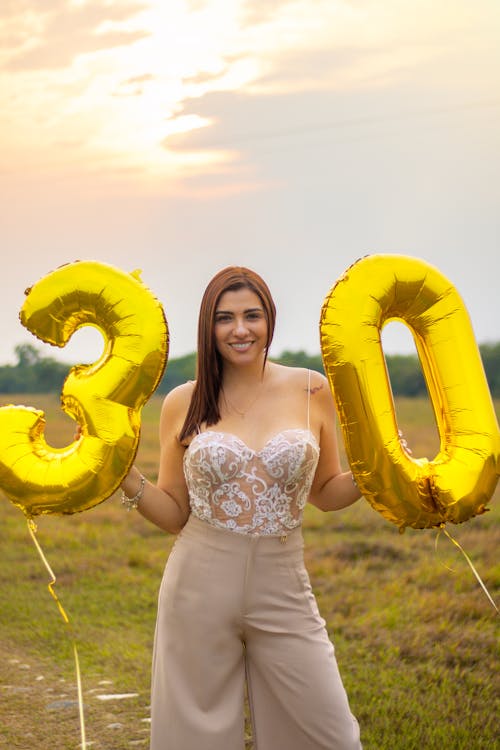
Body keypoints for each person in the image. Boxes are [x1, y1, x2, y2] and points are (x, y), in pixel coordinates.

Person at [120, 266, 363, 750]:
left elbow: (326, 493)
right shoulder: (182, 401)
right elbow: (173, 513)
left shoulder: (311, 388)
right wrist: (124, 478)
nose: (240, 330)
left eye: (252, 316)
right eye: (224, 318)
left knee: (330, 731)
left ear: (269, 320)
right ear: (208, 327)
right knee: (196, 735)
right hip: (198, 582)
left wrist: (377, 471)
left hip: (284, 583)